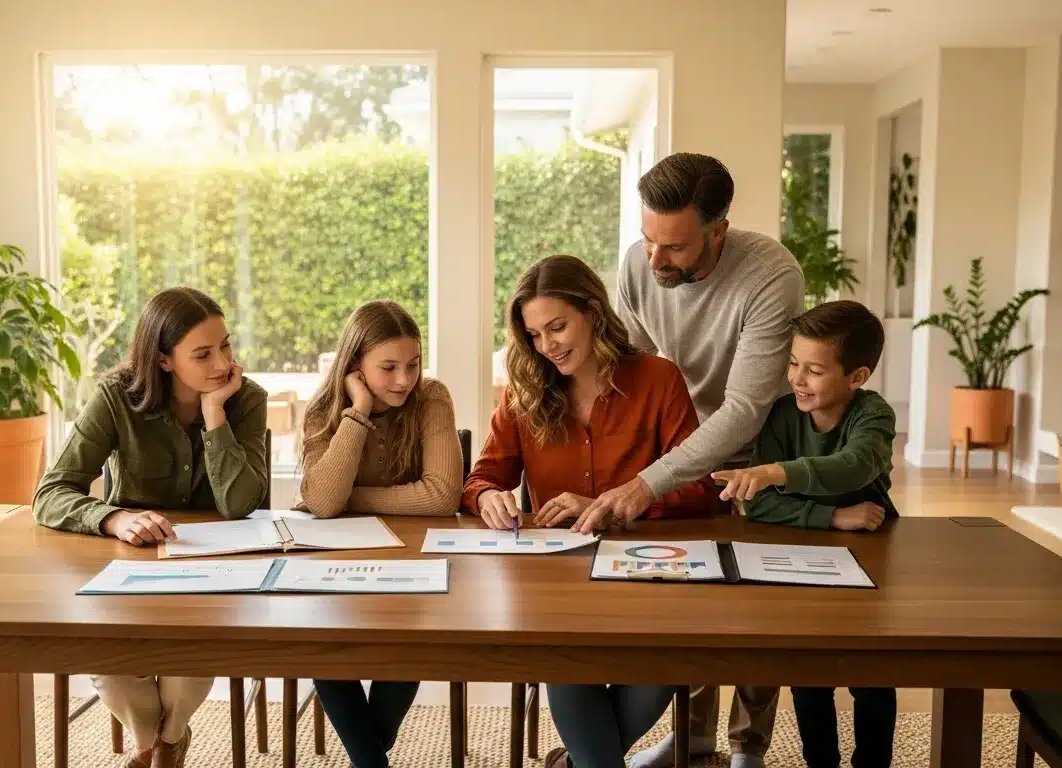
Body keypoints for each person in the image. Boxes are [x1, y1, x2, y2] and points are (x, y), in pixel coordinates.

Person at [585, 153, 805, 768]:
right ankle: (695, 740)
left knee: (761, 608)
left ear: (719, 231)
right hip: (682, 448)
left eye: (674, 248)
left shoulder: (770, 276)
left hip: (760, 455)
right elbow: (632, 364)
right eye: (648, 238)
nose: (654, 260)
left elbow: (744, 408)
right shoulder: (639, 261)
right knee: (693, 600)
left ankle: (747, 750)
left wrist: (646, 484)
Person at [463, 254, 715, 768]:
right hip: (558, 589)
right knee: (565, 656)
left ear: (594, 313)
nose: (546, 345)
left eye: (557, 326)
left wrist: (617, 504)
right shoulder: (525, 393)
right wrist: (489, 496)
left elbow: (701, 490)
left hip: (652, 577)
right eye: (534, 335)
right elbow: (482, 478)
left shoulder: (658, 379)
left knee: (667, 663)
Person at [33, 287, 269, 768]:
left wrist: (214, 416)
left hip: (213, 574)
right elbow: (51, 492)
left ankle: (162, 746)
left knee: (192, 657)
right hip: (129, 571)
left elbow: (242, 503)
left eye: (225, 345)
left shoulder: (246, 400)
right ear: (164, 360)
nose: (222, 362)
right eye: (202, 354)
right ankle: (158, 745)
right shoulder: (116, 398)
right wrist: (112, 517)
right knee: (108, 662)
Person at [717, 300, 898, 768]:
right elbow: (758, 504)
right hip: (802, 557)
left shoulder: (873, 415)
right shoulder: (782, 415)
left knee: (872, 673)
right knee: (808, 671)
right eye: (794, 364)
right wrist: (833, 518)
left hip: (871, 556)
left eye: (814, 370)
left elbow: (854, 466)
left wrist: (778, 472)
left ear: (857, 376)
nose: (797, 379)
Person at [298, 300, 461, 768]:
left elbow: (442, 495)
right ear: (355, 367)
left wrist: (350, 499)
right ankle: (373, 761)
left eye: (412, 364)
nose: (404, 380)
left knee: (413, 638)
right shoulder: (325, 411)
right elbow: (324, 503)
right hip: (335, 562)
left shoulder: (432, 398)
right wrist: (358, 413)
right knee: (323, 645)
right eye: (388, 367)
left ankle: (369, 759)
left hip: (415, 565)